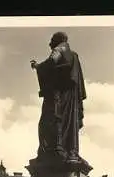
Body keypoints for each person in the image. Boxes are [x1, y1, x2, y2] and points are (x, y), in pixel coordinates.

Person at [30, 32, 87, 161]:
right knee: (70, 122)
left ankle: (54, 150)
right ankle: (71, 151)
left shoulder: (59, 49)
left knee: (48, 122)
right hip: (72, 96)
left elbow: (51, 61)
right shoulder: (73, 55)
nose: (50, 43)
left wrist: (38, 66)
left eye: (51, 40)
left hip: (58, 95)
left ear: (57, 40)